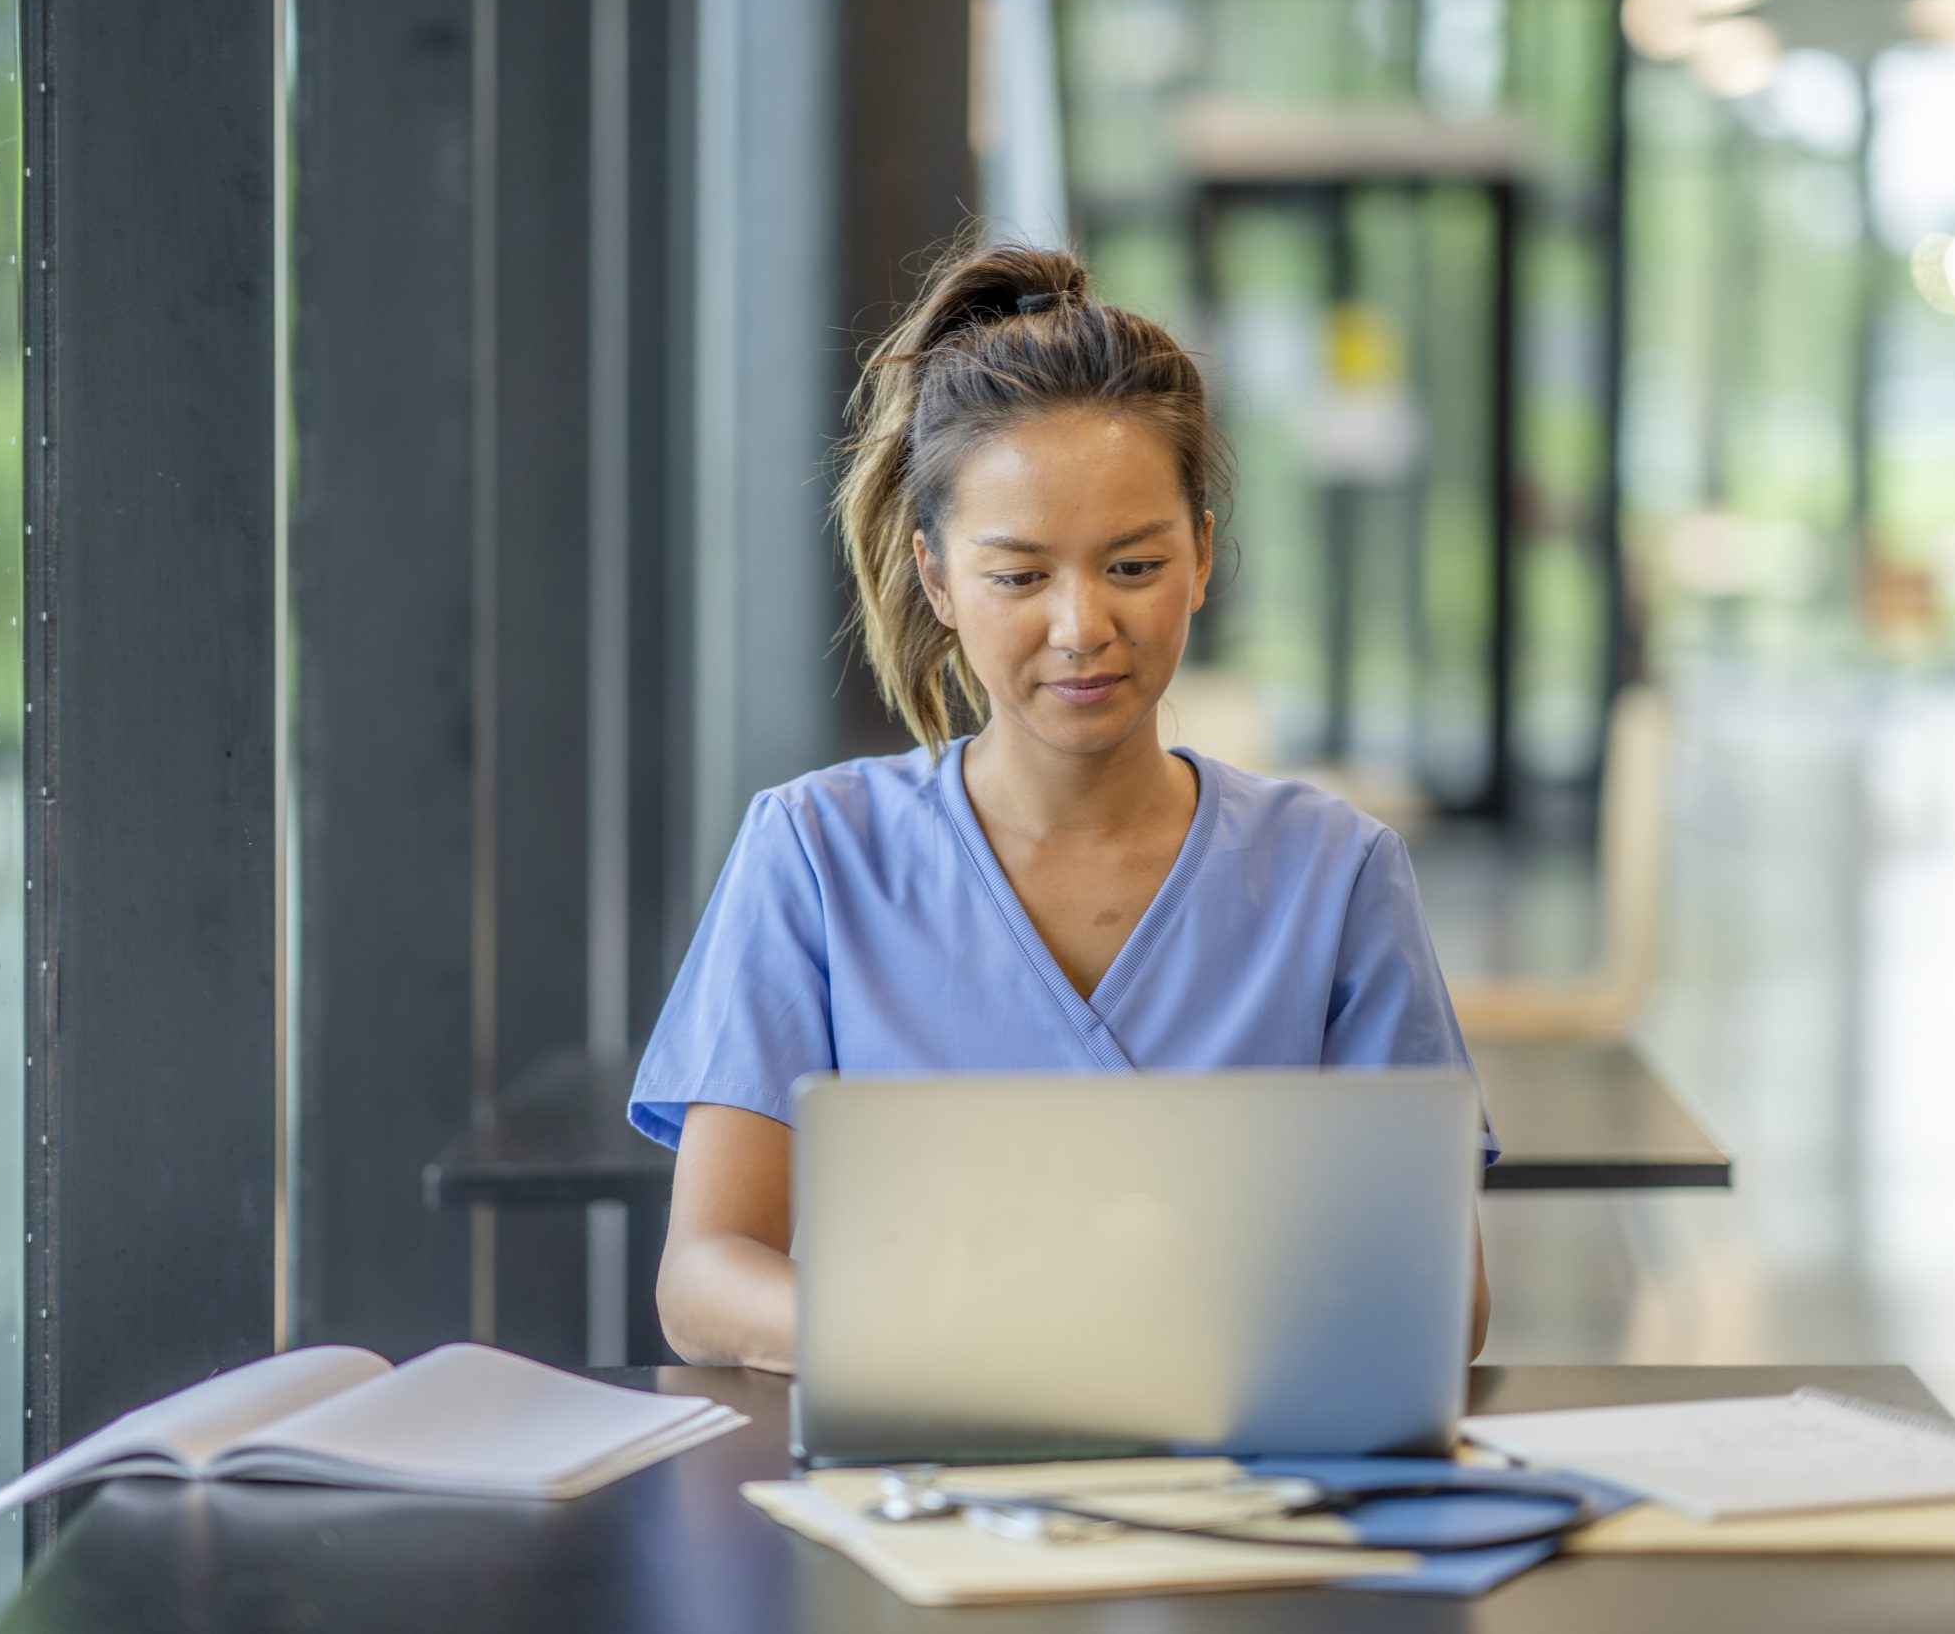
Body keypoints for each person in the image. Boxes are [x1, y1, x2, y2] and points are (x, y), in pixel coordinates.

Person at [627, 241, 1493, 1375]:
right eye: (1020, 576)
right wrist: (950, 1344)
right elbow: (703, 1279)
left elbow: (1437, 1293)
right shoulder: (814, 854)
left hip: (1241, 1497)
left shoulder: (1335, 875)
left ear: (1201, 558)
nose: (1081, 627)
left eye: (1131, 567)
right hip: (915, 1492)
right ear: (936, 579)